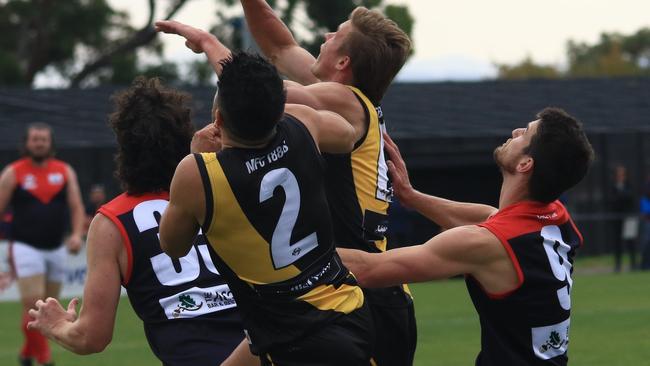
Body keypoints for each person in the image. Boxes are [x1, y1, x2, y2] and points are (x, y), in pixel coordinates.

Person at [157, 2, 416, 362]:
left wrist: (210, 44)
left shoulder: (347, 101)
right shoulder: (334, 99)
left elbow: (251, 94)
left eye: (335, 34)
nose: (325, 37)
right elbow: (279, 46)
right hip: (324, 291)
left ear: (343, 63)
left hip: (357, 292)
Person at [340, 108, 595, 365]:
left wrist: (301, 243)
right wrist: (411, 196)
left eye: (525, 133)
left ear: (525, 164)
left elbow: (367, 270)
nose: (515, 131)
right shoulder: (555, 216)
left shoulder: (486, 244)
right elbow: (491, 217)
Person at [27, 77, 244, 365]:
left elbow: (91, 336)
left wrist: (56, 325)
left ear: (124, 145)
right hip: (265, 350)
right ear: (186, 136)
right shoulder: (221, 190)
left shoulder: (112, 222)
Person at [0, 122, 85, 366]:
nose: (39, 143)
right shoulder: (14, 171)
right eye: (35, 139)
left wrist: (77, 235)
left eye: (43, 139)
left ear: (51, 143)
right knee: (32, 304)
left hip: (56, 248)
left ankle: (27, 354)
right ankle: (44, 359)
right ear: (27, 143)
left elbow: (77, 206)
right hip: (25, 247)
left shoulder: (64, 170)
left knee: (49, 308)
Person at [609, 165, 638, 271]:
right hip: (617, 218)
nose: (620, 176)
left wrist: (620, 195)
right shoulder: (613, 186)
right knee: (617, 242)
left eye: (622, 174)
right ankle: (618, 265)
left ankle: (634, 265)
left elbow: (630, 197)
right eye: (618, 174)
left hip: (629, 218)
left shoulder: (629, 185)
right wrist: (621, 196)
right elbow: (612, 201)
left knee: (630, 241)